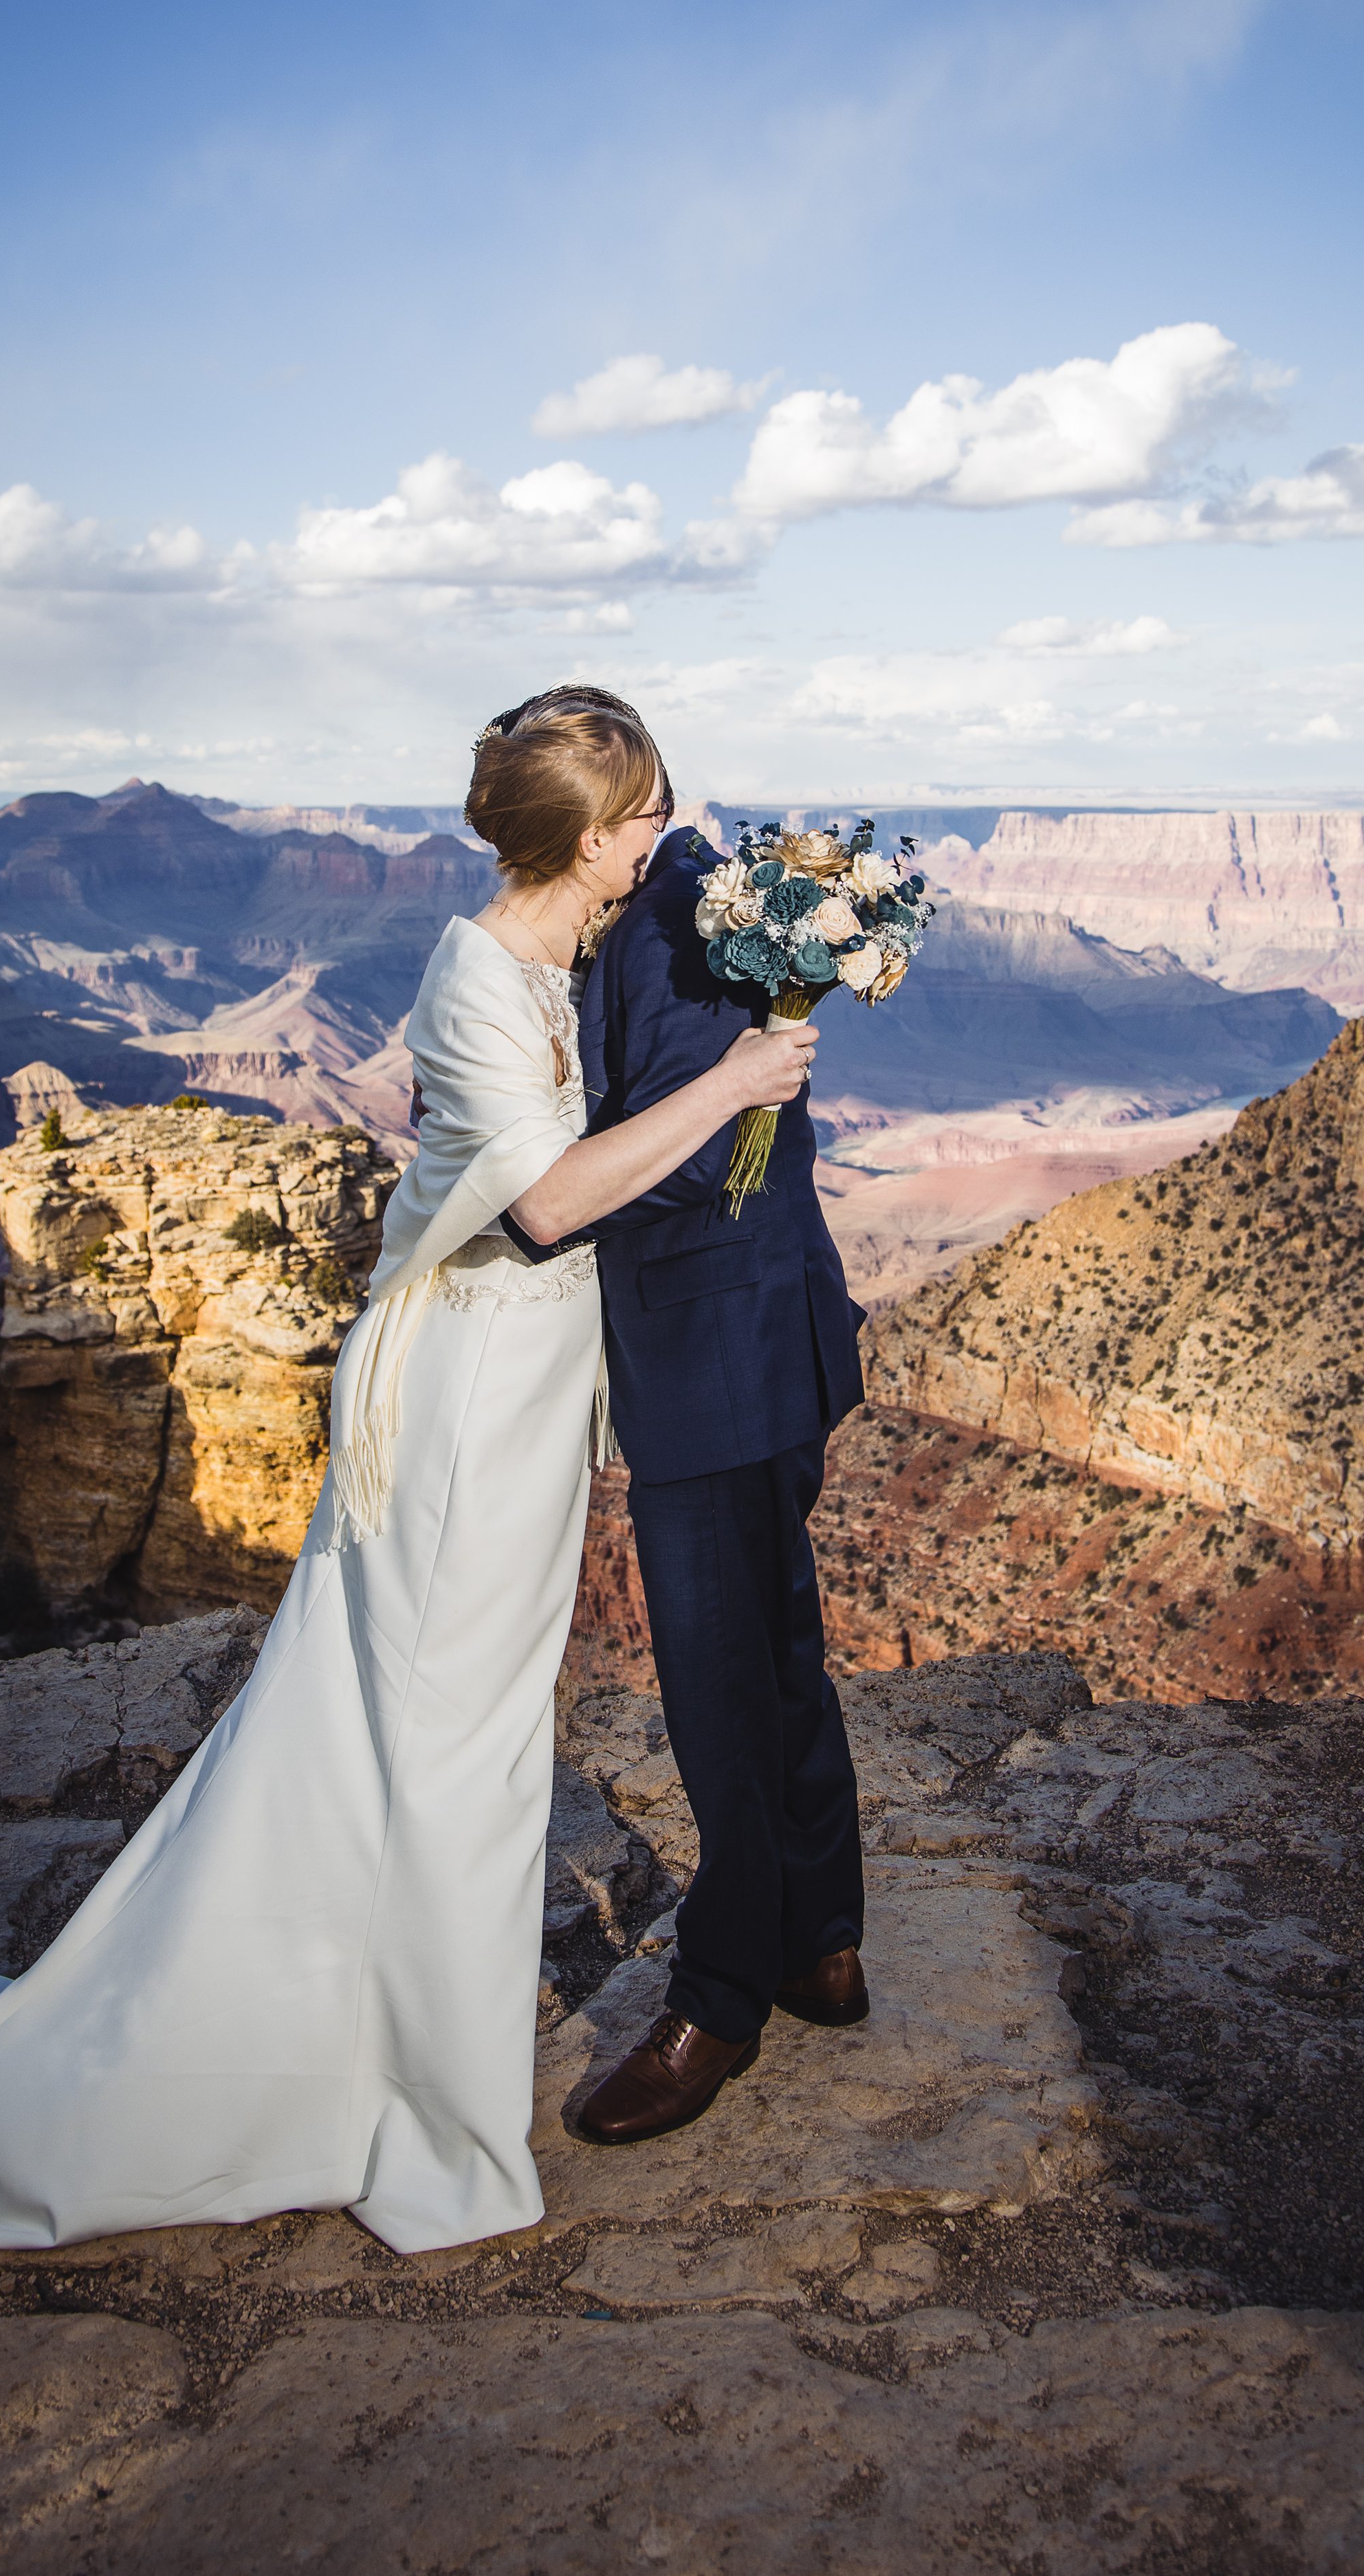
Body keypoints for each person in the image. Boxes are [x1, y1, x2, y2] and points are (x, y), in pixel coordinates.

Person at [0, 696, 816, 2257]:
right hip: (472, 1401)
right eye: (649, 811)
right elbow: (544, 1207)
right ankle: (428, 2110)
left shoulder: (565, 952)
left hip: (533, 1394)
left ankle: (378, 2041)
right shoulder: (479, 980)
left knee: (436, 1729)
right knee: (460, 1742)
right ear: (591, 837)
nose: (667, 832)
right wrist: (736, 1084)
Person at [569, 811, 870, 2145]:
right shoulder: (682, 903)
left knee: (719, 1691)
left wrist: (529, 1181)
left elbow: (693, 1148)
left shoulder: (682, 916)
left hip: (720, 1361)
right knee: (776, 1649)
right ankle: (819, 1944)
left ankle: (723, 1994)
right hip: (744, 1343)